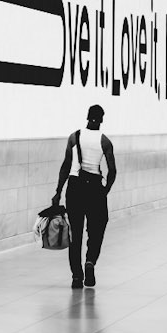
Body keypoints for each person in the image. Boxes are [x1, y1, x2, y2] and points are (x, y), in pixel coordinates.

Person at [54, 103, 116, 290]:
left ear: (87, 117)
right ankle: (90, 262)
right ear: (102, 119)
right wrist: (105, 190)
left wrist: (58, 192)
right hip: (95, 188)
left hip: (75, 188)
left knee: (76, 233)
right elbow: (112, 170)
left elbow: (66, 166)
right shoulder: (105, 141)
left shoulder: (74, 137)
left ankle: (76, 276)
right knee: (97, 227)